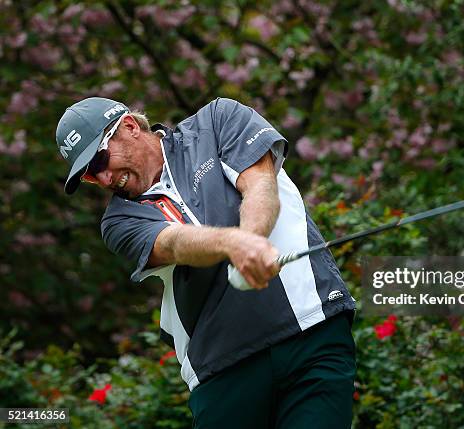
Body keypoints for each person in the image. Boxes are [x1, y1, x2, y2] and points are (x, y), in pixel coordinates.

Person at [55, 97, 357, 428]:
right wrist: (235, 244)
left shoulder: (216, 120)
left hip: (311, 327)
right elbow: (172, 243)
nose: (105, 179)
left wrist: (252, 239)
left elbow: (259, 183)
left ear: (129, 127)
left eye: (99, 162)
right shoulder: (118, 221)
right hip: (222, 369)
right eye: (90, 177)